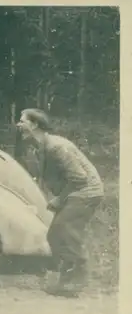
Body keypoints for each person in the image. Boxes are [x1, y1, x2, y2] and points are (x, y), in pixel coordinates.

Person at [16, 108, 104, 298]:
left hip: (86, 192)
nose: (18, 124)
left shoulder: (56, 146)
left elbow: (79, 178)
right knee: (56, 235)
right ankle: (68, 281)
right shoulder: (41, 146)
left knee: (64, 232)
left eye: (22, 121)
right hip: (74, 192)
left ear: (35, 124)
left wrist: (59, 199)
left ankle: (75, 282)